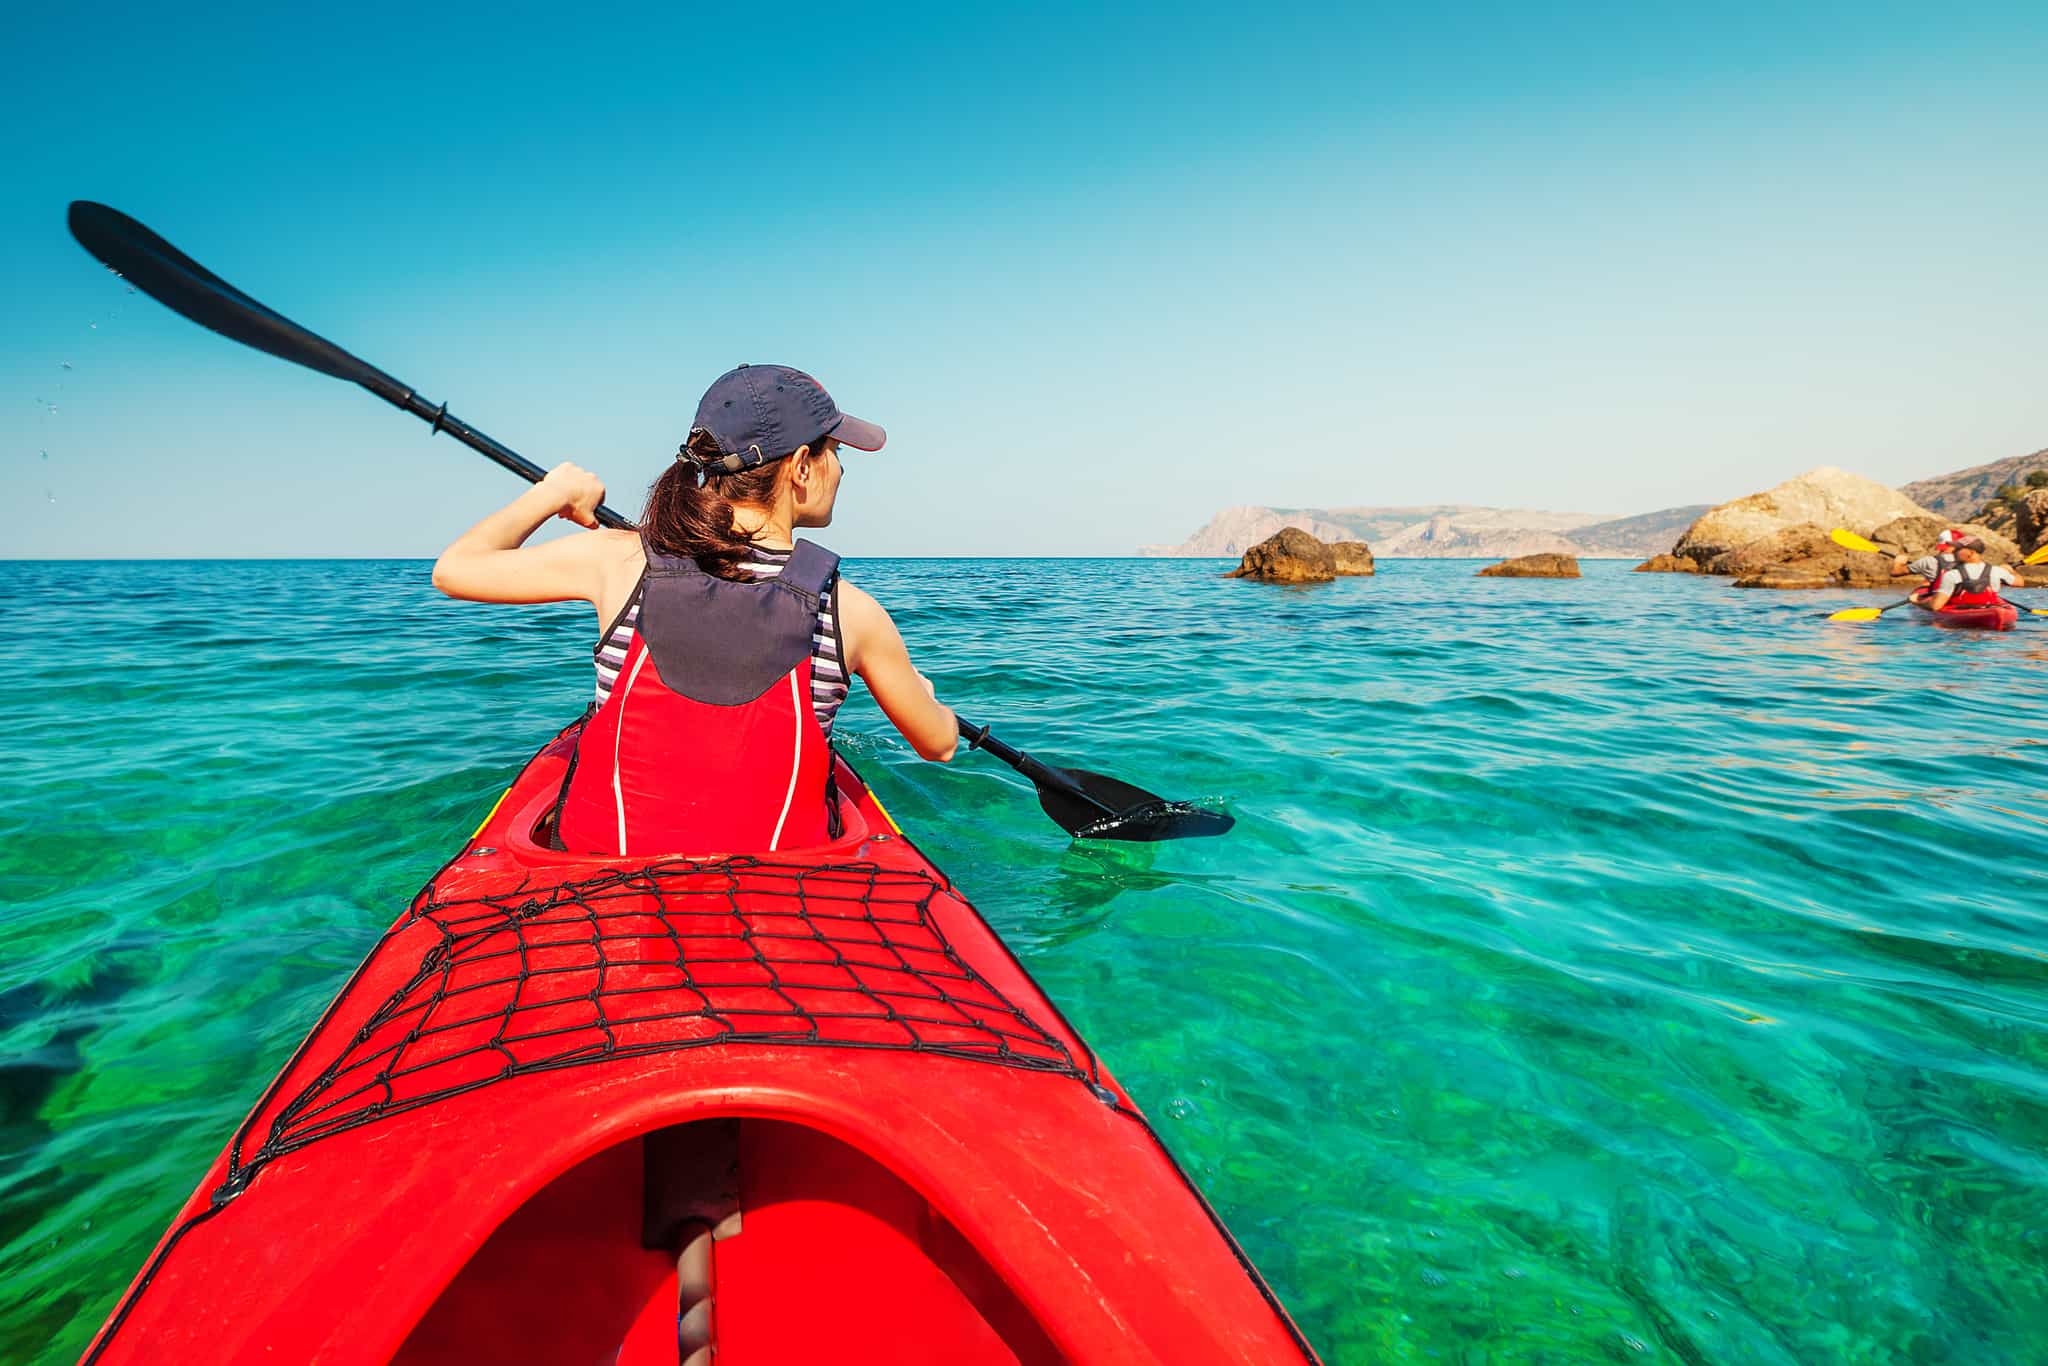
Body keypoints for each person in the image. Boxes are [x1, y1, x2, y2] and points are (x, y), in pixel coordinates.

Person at [431, 363, 958, 855]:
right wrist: (927, 697)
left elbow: (454, 570)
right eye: (834, 452)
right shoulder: (850, 612)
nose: (841, 470)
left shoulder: (619, 558)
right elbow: (938, 745)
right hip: (776, 890)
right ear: (801, 465)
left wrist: (551, 495)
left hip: (604, 883)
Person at [1924, 536, 2022, 612]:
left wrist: (1918, 602)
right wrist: (2010, 570)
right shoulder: (1997, 571)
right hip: (1990, 610)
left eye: (1958, 549)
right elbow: (2020, 583)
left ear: (1971, 552)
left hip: (1960, 617)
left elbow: (1935, 606)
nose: (1953, 551)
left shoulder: (1952, 575)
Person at [1891, 529, 1961, 600]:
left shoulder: (1928, 561)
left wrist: (1898, 562)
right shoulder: (1970, 560)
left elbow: (1895, 572)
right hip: (1960, 599)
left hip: (1937, 601)